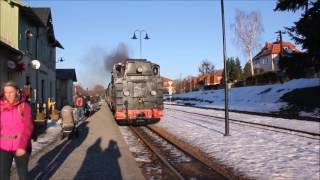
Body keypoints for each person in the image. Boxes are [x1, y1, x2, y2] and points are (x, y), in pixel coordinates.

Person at [0, 81, 34, 180]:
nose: (8, 95)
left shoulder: (24, 106)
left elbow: (28, 127)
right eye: (6, 92)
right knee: (3, 174)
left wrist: (22, 147)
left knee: (22, 174)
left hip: (21, 145)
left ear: (17, 92)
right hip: (3, 146)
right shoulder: (1, 107)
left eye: (11, 92)